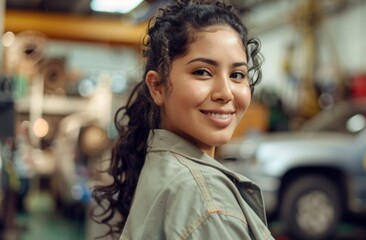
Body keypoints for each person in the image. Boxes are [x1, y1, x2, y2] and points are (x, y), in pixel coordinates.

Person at [91, 0, 273, 239]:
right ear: (157, 87)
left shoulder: (166, 170)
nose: (226, 92)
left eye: (237, 75)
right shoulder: (206, 199)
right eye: (202, 72)